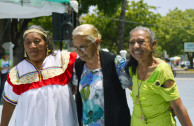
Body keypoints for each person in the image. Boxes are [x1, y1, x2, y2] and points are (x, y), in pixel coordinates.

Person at [0, 25, 78, 126]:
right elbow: (9, 103)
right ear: (24, 46)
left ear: (47, 43)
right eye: (28, 42)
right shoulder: (17, 73)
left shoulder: (63, 60)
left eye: (37, 41)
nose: (32, 46)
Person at [126, 26, 192, 126]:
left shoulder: (161, 69)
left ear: (153, 45)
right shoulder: (131, 68)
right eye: (132, 42)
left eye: (141, 42)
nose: (135, 46)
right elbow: (139, 89)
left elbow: (178, 107)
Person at [72, 24, 132, 126]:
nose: (79, 52)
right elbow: (73, 90)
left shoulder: (116, 62)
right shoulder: (78, 65)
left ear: (96, 42)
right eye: (76, 47)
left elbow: (135, 89)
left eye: (82, 47)